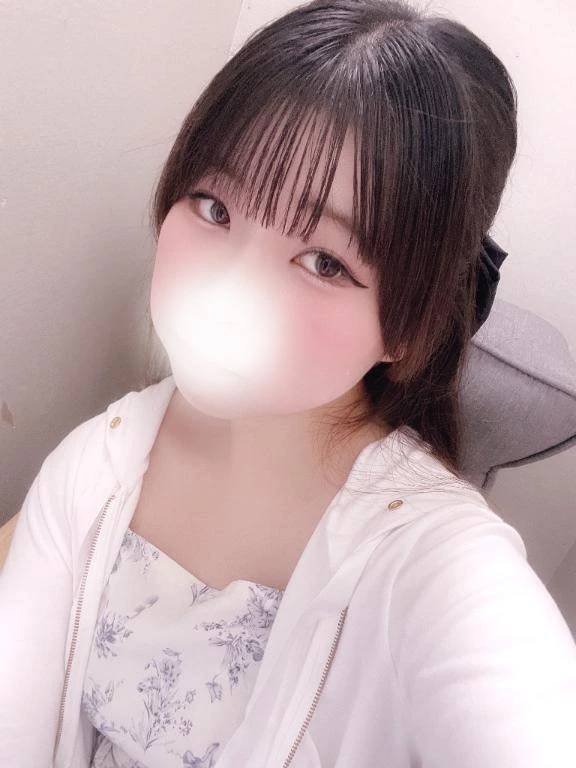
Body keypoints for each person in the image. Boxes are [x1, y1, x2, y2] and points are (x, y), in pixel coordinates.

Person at [2, 1, 576, 766]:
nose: (228, 290)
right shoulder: (94, 468)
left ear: (410, 328)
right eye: (214, 207)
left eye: (324, 262)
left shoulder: (438, 566)